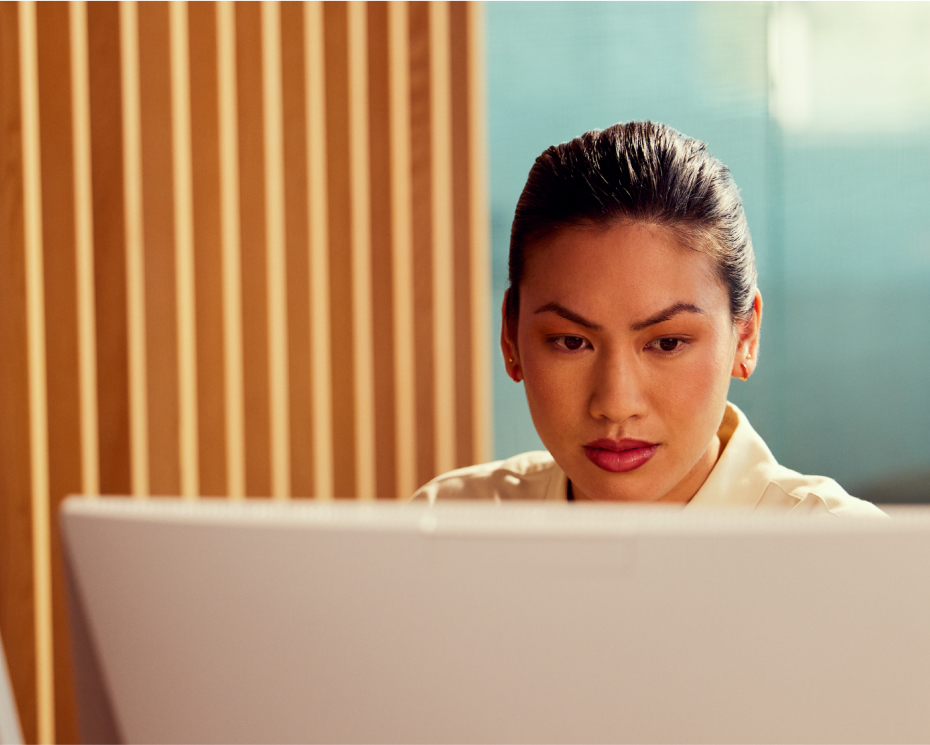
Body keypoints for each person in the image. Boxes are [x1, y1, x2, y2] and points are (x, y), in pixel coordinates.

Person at [414, 121, 883, 516]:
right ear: (510, 338)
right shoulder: (445, 528)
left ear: (746, 335)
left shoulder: (859, 558)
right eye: (571, 342)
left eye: (667, 343)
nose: (616, 404)